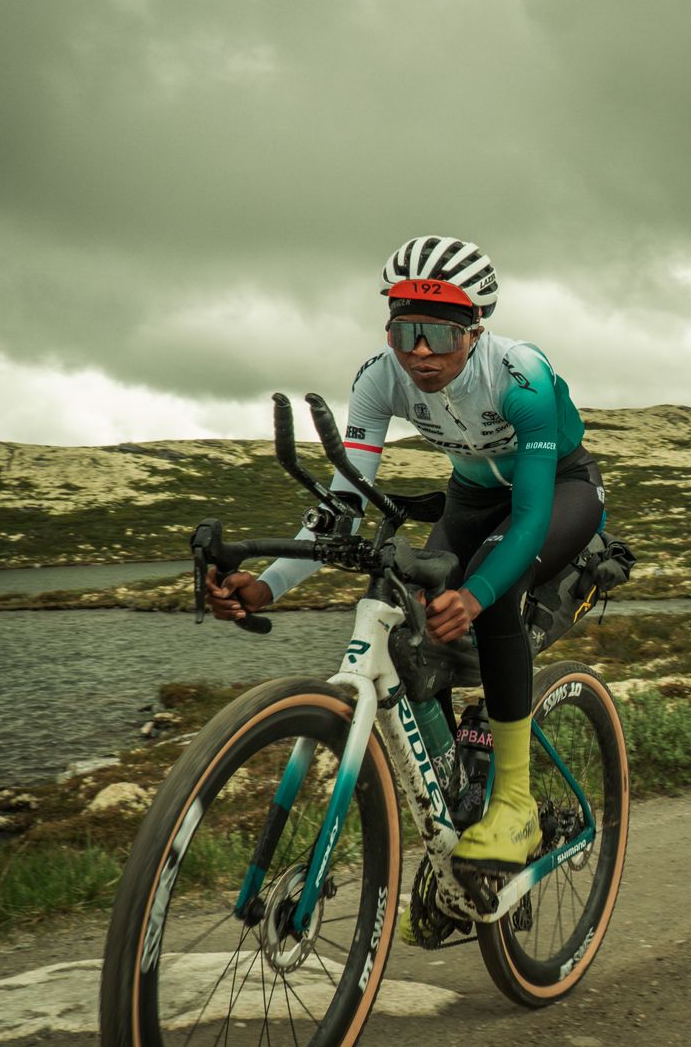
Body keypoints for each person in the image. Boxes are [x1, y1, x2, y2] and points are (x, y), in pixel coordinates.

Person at [207, 235, 605, 884]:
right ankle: (455, 791)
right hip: (471, 498)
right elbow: (343, 505)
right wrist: (268, 586)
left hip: (558, 489)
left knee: (495, 599)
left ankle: (515, 804)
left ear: (474, 331)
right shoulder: (378, 378)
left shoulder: (521, 376)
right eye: (404, 333)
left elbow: (531, 515)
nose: (420, 352)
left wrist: (476, 594)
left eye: (439, 335)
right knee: (409, 621)